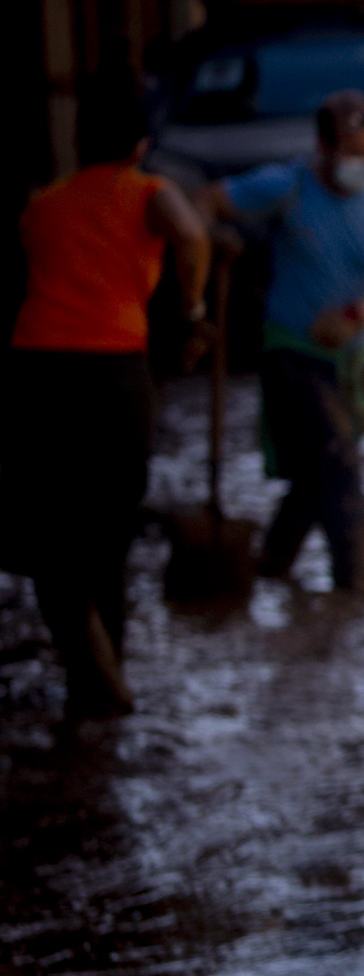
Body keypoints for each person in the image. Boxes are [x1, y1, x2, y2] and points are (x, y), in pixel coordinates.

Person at [2, 77, 212, 719]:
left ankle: (89, 673)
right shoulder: (146, 191)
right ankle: (107, 674)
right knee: (109, 530)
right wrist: (193, 307)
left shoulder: (42, 205)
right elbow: (192, 235)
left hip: (36, 374)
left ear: (77, 139)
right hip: (114, 376)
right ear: (141, 144)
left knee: (49, 528)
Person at [202, 89, 364, 596]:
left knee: (315, 472)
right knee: (338, 465)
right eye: (353, 156)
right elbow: (207, 200)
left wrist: (356, 314)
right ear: (324, 150)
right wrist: (209, 239)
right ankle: (357, 586)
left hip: (357, 354)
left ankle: (271, 566)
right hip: (293, 352)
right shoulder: (286, 186)